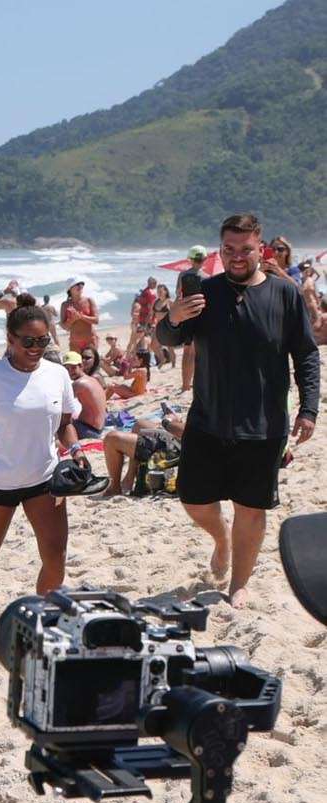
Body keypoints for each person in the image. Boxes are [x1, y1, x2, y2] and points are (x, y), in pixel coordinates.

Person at [156, 213, 319, 605]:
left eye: (245, 249)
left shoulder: (285, 294)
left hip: (264, 424)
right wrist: (173, 317)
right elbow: (169, 337)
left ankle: (239, 584)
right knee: (193, 499)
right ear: (221, 250)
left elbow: (307, 355)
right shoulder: (206, 293)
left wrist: (308, 408)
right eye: (229, 249)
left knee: (251, 508)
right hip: (208, 419)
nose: (237, 257)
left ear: (259, 249)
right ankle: (220, 538)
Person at [0, 307, 83, 640]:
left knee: (55, 557)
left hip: (44, 481)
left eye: (42, 339)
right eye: (28, 340)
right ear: (10, 339)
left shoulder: (57, 375)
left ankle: (41, 621)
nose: (35, 346)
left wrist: (75, 451)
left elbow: (65, 425)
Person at [102, 415, 184, 497]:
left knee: (111, 439)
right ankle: (129, 478)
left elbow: (187, 432)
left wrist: (167, 421)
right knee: (140, 424)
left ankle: (115, 487)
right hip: (181, 443)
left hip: (179, 451)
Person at [176, 246, 207, 392]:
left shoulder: (182, 275)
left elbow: (178, 294)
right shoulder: (207, 277)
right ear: (204, 259)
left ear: (190, 259)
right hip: (200, 315)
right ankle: (192, 383)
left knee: (187, 350)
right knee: (197, 351)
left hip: (186, 314)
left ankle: (185, 384)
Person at [61, 351, 106, 439]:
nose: (70, 372)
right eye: (67, 369)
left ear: (81, 366)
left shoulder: (79, 383)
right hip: (98, 427)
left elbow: (60, 403)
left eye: (73, 368)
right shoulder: (91, 379)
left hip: (88, 430)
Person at [60, 279, 100, 353]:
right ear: (70, 289)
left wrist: (81, 316)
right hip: (75, 343)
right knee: (76, 364)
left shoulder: (89, 300)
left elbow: (96, 320)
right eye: (77, 284)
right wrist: (73, 319)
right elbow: (64, 326)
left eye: (81, 284)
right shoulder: (65, 305)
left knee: (91, 363)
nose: (80, 286)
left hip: (90, 341)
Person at [128, 278, 158, 353]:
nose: (156, 285)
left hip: (141, 319)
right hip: (147, 319)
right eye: (155, 283)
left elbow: (137, 306)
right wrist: (152, 319)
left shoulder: (144, 292)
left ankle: (132, 353)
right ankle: (148, 355)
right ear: (151, 283)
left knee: (135, 339)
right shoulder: (149, 294)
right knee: (148, 338)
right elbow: (151, 307)